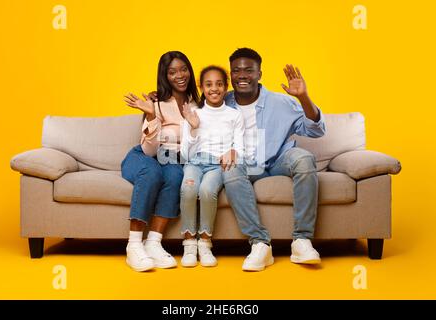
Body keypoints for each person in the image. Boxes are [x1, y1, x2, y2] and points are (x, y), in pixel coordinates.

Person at [223, 48, 326, 271]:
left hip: (279, 159)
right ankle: (260, 244)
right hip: (246, 164)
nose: (242, 75)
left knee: (304, 158)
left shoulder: (281, 102)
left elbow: (316, 130)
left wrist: (303, 97)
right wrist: (159, 101)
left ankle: (302, 241)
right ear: (230, 75)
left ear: (260, 74)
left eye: (249, 70)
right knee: (230, 170)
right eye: (236, 71)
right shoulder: (222, 102)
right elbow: (194, 112)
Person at [122, 51, 200, 272]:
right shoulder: (155, 102)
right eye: (172, 72)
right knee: (152, 173)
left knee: (176, 176)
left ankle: (154, 242)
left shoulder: (198, 104)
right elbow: (148, 151)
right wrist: (150, 116)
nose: (180, 75)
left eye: (183, 69)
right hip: (144, 156)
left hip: (173, 162)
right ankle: (134, 246)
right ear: (165, 76)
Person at [179, 66, 244, 268]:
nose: (214, 89)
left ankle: (205, 243)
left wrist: (233, 151)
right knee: (188, 189)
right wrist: (192, 127)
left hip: (217, 165)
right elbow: (184, 154)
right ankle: (189, 244)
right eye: (208, 84)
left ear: (226, 87)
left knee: (207, 191)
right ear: (201, 87)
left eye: (219, 84)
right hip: (195, 162)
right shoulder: (194, 113)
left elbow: (239, 146)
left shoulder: (234, 115)